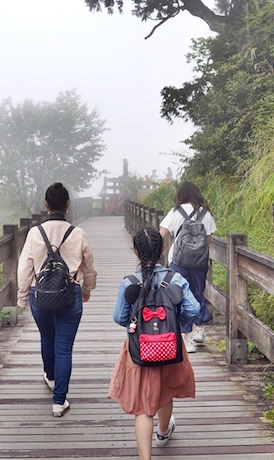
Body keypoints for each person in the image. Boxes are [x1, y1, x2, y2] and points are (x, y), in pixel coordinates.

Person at [108, 226, 200, 460]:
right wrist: (175, 323)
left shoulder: (129, 282)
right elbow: (193, 309)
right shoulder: (175, 278)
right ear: (162, 249)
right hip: (170, 346)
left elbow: (120, 317)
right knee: (165, 391)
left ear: (136, 252)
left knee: (143, 407)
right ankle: (163, 431)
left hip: (139, 350)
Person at [17, 182, 97, 417]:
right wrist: (88, 289)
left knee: (47, 336)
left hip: (39, 294)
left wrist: (22, 298)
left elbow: (25, 268)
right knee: (64, 348)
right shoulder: (78, 233)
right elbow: (89, 267)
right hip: (70, 293)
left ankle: (50, 377)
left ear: (46, 204)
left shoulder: (34, 233)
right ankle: (58, 401)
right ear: (68, 204)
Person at [158, 181, 217, 353]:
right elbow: (207, 241)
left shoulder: (175, 212)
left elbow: (160, 234)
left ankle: (187, 338)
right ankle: (199, 329)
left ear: (181, 194)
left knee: (181, 296)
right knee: (198, 292)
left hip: (178, 261)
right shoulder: (205, 213)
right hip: (199, 263)